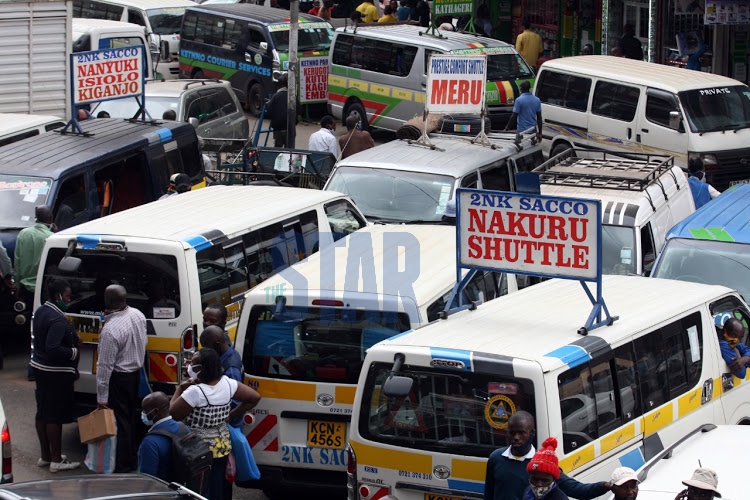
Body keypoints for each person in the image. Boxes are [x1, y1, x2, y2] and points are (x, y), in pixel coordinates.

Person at [170, 348, 261, 500]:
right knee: (218, 487)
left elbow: (172, 413)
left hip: (197, 451)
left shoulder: (195, 392)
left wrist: (179, 389)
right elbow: (254, 397)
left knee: (198, 490)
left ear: (202, 369)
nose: (190, 367)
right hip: (221, 448)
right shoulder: (228, 384)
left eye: (194, 365)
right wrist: (231, 415)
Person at [483, 411, 611, 500]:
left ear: (532, 433)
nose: (516, 438)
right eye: (512, 433)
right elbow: (489, 493)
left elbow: (577, 489)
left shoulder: (544, 465)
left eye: (521, 433)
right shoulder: (496, 458)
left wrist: (604, 486)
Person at [30, 278, 81, 473]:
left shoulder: (42, 311)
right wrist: (74, 351)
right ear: (58, 295)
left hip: (40, 368)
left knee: (42, 412)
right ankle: (56, 459)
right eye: (67, 297)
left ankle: (45, 456)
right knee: (54, 417)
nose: (68, 300)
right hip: (55, 373)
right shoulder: (58, 320)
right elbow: (53, 348)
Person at [96, 284, 148, 473]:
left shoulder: (111, 330)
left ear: (108, 301)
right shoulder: (137, 314)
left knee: (121, 421)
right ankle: (132, 457)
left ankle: (123, 464)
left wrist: (101, 398)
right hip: (135, 375)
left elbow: (104, 367)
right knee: (131, 417)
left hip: (119, 378)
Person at [137, 391, 178, 481]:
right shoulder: (183, 428)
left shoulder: (150, 442)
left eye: (145, 410)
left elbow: (147, 479)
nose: (143, 413)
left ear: (155, 411)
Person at [266, 73, 294, 147]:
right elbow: (300, 110)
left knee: (278, 151)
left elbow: (269, 111)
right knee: (290, 152)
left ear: (278, 85)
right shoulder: (291, 96)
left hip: (278, 129)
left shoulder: (275, 97)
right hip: (290, 129)